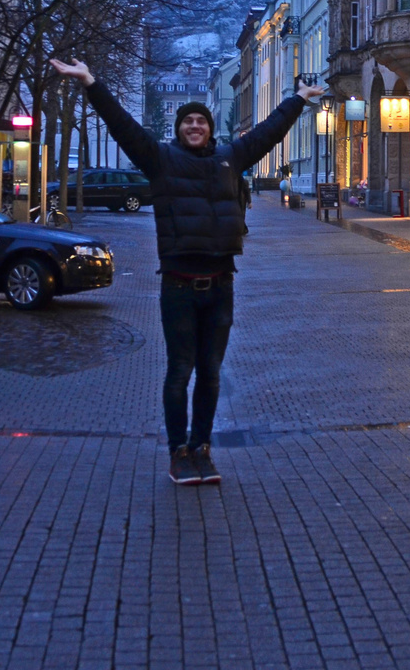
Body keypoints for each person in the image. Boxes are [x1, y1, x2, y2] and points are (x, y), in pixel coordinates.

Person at [49, 56, 325, 486]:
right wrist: (91, 82)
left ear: (210, 128)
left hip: (221, 284)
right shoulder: (160, 161)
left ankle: (202, 447)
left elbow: (269, 133)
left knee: (211, 373)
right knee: (180, 371)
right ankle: (179, 450)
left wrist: (297, 100)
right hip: (178, 286)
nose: (194, 126)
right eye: (187, 121)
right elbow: (123, 126)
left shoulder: (231, 158)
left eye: (201, 121)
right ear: (179, 129)